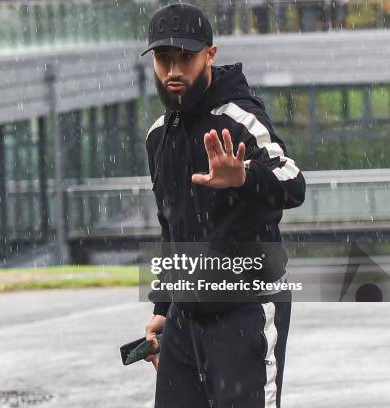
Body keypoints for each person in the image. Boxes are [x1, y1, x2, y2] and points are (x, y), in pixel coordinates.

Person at [139, 3, 306, 407]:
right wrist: (163, 306)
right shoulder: (158, 136)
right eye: (164, 58)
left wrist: (245, 177)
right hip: (184, 316)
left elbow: (294, 183)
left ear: (210, 55)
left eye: (186, 58)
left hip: (245, 310)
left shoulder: (239, 119)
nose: (174, 71)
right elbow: (171, 227)